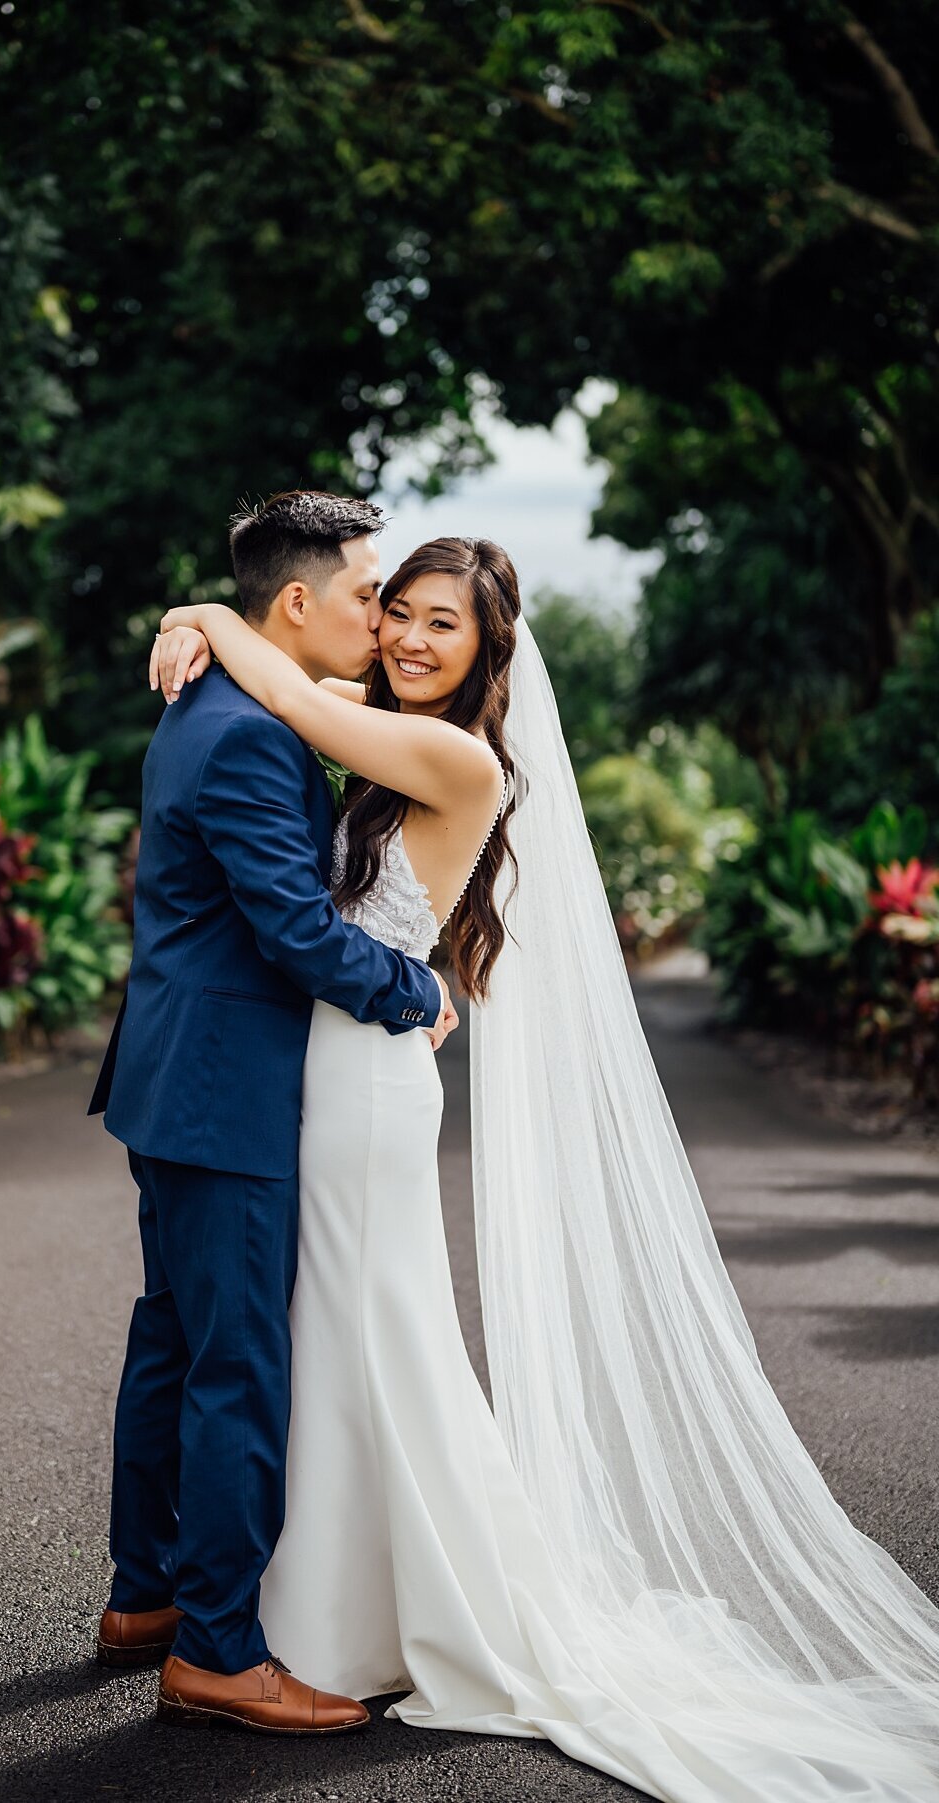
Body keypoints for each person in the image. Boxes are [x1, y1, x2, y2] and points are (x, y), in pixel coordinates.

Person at [153, 532, 939, 1800]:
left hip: (359, 1088)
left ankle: (383, 1620)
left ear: (488, 652)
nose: (407, 638)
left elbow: (290, 689)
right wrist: (215, 621)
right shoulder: (393, 718)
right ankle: (343, 1611)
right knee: (348, 1339)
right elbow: (303, 679)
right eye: (396, 611)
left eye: (440, 626)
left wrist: (200, 608)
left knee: (371, 1336)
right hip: (344, 1069)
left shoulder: (455, 755)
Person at [87, 491, 457, 1736]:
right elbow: (295, 933)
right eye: (368, 594)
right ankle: (220, 1650)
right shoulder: (251, 730)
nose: (382, 616)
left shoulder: (219, 696)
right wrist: (415, 987)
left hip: (172, 1076)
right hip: (226, 1089)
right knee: (237, 1363)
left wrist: (196, 611)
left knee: (176, 1341)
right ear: (295, 602)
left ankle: (146, 1598)